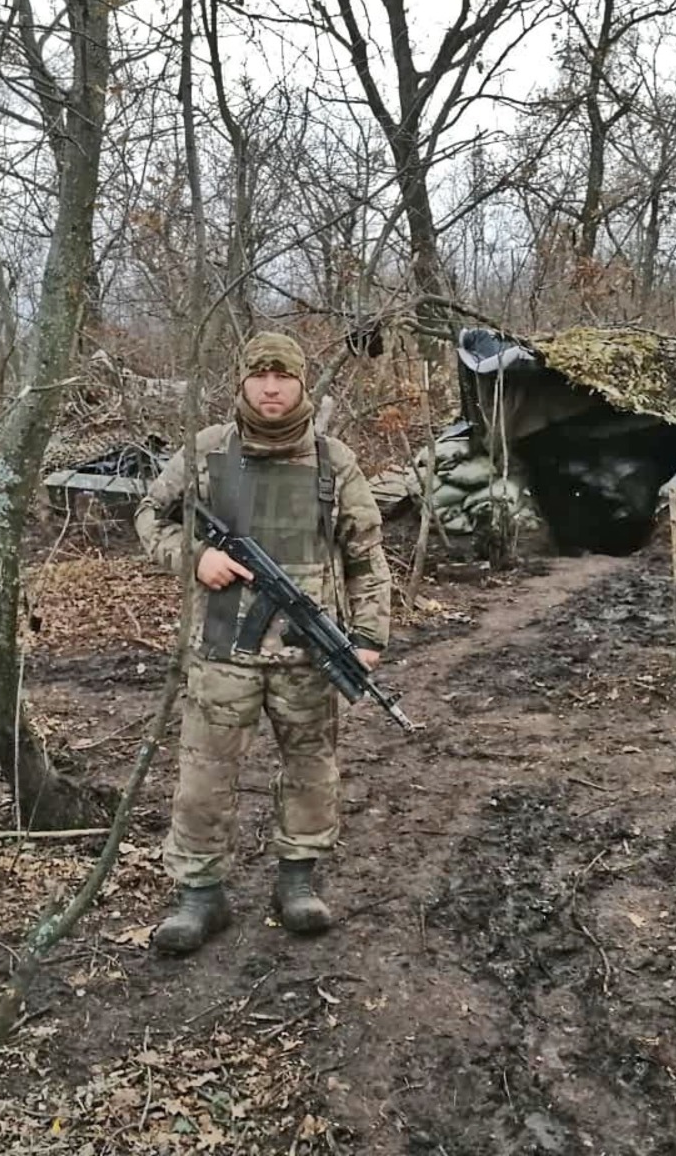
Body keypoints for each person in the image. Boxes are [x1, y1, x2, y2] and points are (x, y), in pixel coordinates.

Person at [134, 331, 393, 955]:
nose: (270, 388)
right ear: (242, 381)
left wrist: (368, 637)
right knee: (203, 777)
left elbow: (366, 554)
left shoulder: (333, 461)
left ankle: (297, 881)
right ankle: (200, 895)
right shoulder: (207, 452)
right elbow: (149, 515)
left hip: (309, 654)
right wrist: (195, 557)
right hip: (223, 648)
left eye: (283, 377)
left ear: (302, 383)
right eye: (259, 376)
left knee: (311, 770)